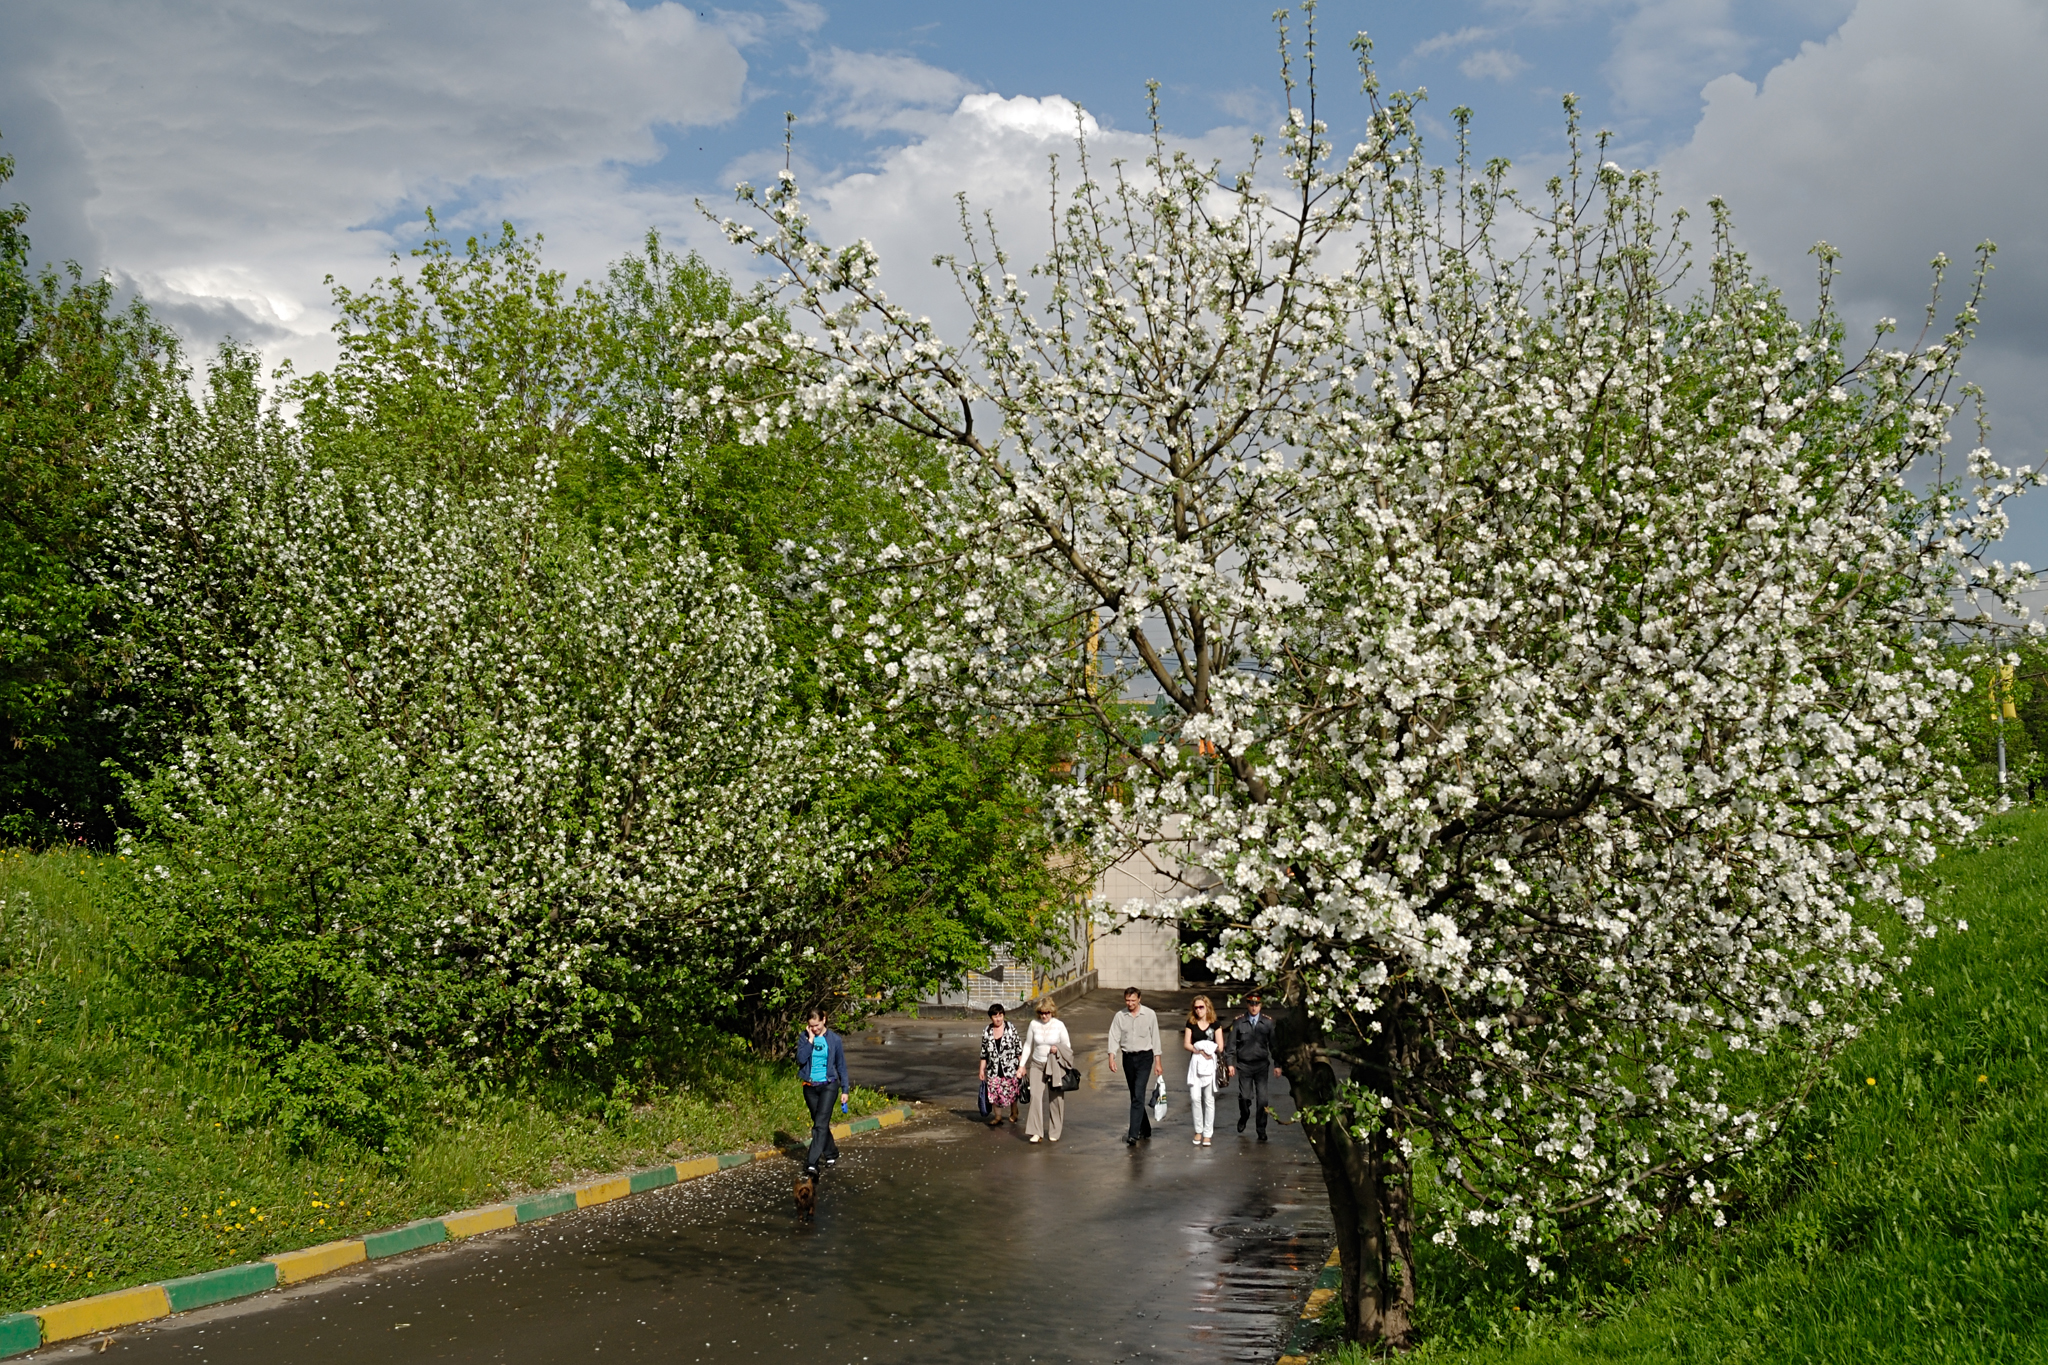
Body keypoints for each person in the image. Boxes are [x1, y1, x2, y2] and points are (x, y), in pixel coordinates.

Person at [1105, 986, 1164, 1145]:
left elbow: (1156, 1038)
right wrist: (1112, 1057)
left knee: (1138, 1094)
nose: (1130, 1003)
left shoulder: (1150, 1014)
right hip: (1128, 1058)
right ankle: (1146, 1127)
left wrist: (1158, 1062)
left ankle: (1133, 1133)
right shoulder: (1120, 1016)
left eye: (1133, 1000)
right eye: (1127, 1000)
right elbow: (1114, 1036)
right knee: (1134, 1095)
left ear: (1139, 999)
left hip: (1145, 1057)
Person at [796, 1007, 848, 1178]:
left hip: (829, 1085)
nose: (815, 1029)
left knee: (819, 1125)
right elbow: (801, 1059)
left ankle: (811, 1163)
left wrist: (845, 1089)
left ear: (824, 1020)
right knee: (820, 1123)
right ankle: (831, 1153)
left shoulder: (834, 1040)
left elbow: (841, 1066)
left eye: (817, 1025)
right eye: (811, 1026)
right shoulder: (804, 1038)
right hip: (810, 1086)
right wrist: (810, 1040)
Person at [1225, 990, 1282, 1141]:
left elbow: (1274, 1045)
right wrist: (1230, 1063)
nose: (1254, 1007)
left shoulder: (1268, 1022)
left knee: (1263, 1100)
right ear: (1247, 1004)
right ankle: (1244, 1115)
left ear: (1261, 1005)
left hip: (1261, 1065)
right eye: (1251, 1004)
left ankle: (1261, 1129)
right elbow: (1230, 1045)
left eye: (1257, 1004)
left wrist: (1277, 1064)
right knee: (1244, 1097)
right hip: (1244, 1065)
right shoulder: (1239, 1022)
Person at [1023, 997, 1076, 1144]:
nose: (1044, 1015)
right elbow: (1028, 1045)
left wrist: (1057, 1048)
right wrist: (1022, 1065)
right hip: (1037, 1064)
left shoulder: (1059, 1025)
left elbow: (1067, 1046)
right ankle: (1036, 1132)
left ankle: (1055, 1131)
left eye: (1047, 1012)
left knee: (1056, 1099)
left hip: (1054, 1065)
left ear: (1052, 1011)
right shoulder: (1033, 1024)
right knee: (1035, 1096)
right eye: (1041, 1013)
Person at [1182, 995, 1223, 1146]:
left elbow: (1220, 1046)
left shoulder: (1215, 1024)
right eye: (1196, 1007)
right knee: (1194, 1097)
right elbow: (1187, 1044)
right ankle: (1198, 1130)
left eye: (1201, 1007)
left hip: (1210, 1064)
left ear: (1207, 1007)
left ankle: (1207, 1133)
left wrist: (1209, 1049)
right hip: (1196, 1063)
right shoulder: (1191, 1023)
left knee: (1209, 1099)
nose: (1198, 1010)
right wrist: (1198, 1049)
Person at [978, 1003, 1025, 1127]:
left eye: (1000, 1015)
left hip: (1010, 1067)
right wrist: (981, 1069)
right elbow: (984, 1053)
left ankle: (1014, 1112)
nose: (998, 1018)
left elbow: (1018, 1049)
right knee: (993, 1092)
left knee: (1012, 1091)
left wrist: (1022, 1065)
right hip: (993, 1068)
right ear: (991, 1017)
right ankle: (998, 1116)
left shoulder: (1010, 1028)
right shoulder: (987, 1031)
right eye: (995, 1016)